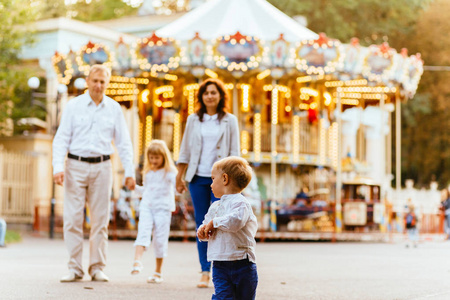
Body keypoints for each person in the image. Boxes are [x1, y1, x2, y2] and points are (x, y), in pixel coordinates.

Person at [52, 64, 136, 282]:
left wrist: (129, 171)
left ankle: (97, 267)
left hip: (102, 166)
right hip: (75, 165)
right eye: (95, 80)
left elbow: (124, 143)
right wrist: (57, 167)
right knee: (72, 218)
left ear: (107, 84)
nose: (99, 85)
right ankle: (74, 268)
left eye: (103, 82)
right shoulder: (74, 106)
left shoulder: (114, 108)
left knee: (100, 219)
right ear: (88, 81)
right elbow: (61, 138)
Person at [176, 78, 240, 288]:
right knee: (202, 224)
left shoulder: (230, 120)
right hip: (197, 177)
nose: (210, 96)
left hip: (221, 180)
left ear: (220, 96)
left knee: (220, 224)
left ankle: (220, 270)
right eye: (206, 93)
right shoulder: (194, 119)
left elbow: (235, 153)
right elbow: (185, 149)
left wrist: (234, 182)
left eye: (214, 92)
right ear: (201, 97)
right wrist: (180, 176)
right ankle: (204, 270)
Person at [197, 156, 258, 300]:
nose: (210, 184)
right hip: (219, 264)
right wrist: (202, 232)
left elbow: (235, 222)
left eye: (213, 179)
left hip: (243, 263)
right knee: (223, 297)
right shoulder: (215, 207)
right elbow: (207, 224)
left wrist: (215, 223)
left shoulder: (241, 203)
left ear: (225, 179)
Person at [130, 140, 177, 284]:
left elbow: (176, 186)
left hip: (163, 208)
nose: (153, 161)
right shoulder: (148, 172)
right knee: (143, 231)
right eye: (151, 158)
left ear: (163, 157)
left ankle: (158, 271)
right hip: (147, 206)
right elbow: (146, 190)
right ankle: (137, 261)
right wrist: (134, 188)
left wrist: (180, 186)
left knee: (160, 239)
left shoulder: (169, 172)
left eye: (157, 158)